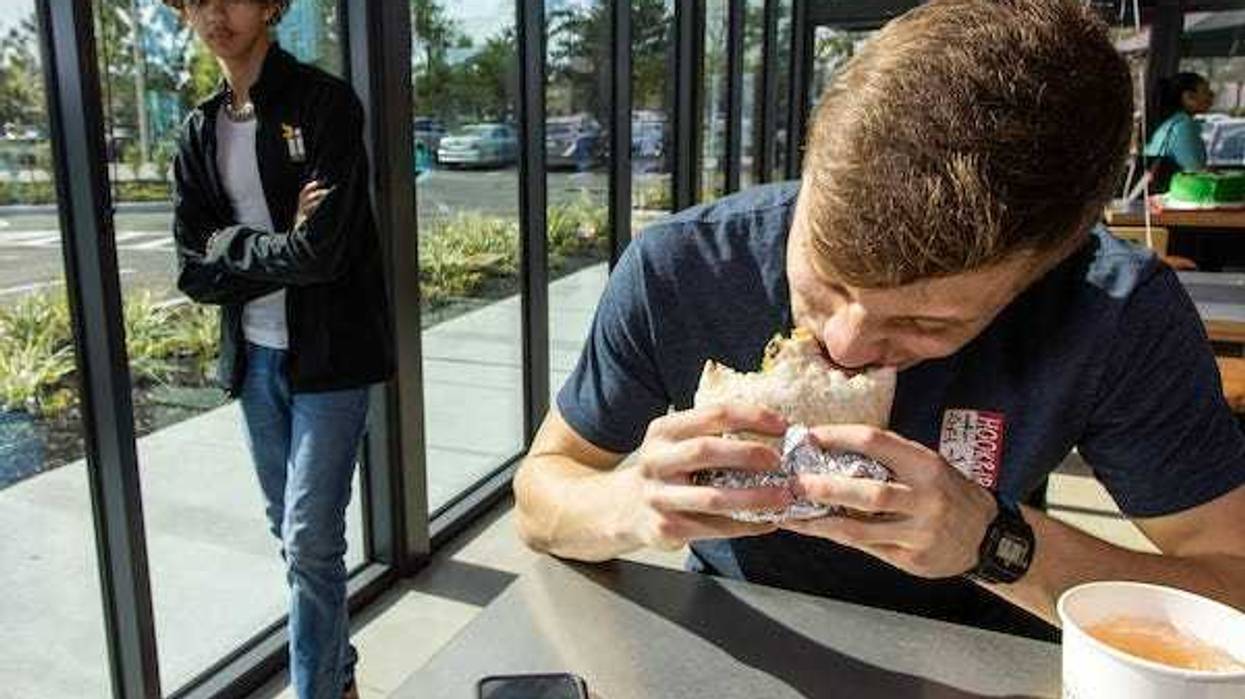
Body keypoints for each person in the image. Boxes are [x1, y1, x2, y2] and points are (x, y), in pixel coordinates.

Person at [515, 0, 1245, 641]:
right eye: (826, 279)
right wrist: (630, 501)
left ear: (1047, 270)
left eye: (926, 321)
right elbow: (543, 491)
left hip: (986, 647)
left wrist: (992, 541)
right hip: (726, 632)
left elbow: (1233, 586)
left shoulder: (1114, 313)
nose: (844, 345)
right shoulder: (681, 268)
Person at [166, 1, 393, 697]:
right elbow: (189, 265)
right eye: (195, 1)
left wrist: (228, 243)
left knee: (309, 538)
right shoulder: (199, 129)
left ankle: (315, 690)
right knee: (294, 539)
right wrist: (269, 245)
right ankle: (340, 678)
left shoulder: (324, 104)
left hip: (331, 356)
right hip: (255, 358)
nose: (213, 14)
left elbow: (321, 253)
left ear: (270, 5)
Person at [1144, 72, 1215, 189]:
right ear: (1189, 97)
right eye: (1206, 92)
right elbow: (1197, 173)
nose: (1211, 97)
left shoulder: (1170, 123)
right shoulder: (1184, 127)